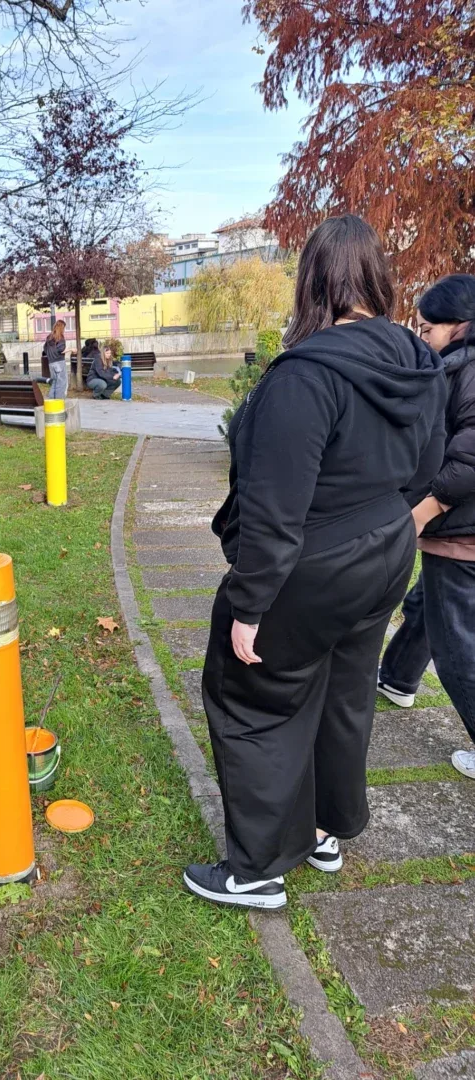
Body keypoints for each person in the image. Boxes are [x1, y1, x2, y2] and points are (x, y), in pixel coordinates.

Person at [184, 215, 446, 910]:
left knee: (253, 698)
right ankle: (326, 829)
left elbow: (275, 505)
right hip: (386, 548)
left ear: (312, 281)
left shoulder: (305, 375)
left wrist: (250, 605)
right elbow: (426, 468)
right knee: (343, 693)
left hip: (315, 559)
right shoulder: (418, 361)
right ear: (377, 278)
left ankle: (257, 868)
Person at [379, 274, 475, 779]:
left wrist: (422, 511)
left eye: (427, 329)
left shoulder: (467, 369)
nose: (423, 339)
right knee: (425, 606)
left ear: (459, 325)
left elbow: (469, 461)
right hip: (457, 528)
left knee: (456, 646)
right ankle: (397, 678)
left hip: (460, 530)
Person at [44, 320, 67, 399]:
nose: (64, 330)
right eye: (64, 328)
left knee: (54, 382)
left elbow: (45, 349)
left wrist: (51, 355)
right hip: (59, 362)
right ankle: (59, 402)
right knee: (61, 383)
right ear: (61, 328)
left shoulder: (49, 337)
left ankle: (51, 401)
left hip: (51, 363)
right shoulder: (60, 337)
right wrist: (71, 349)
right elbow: (61, 350)